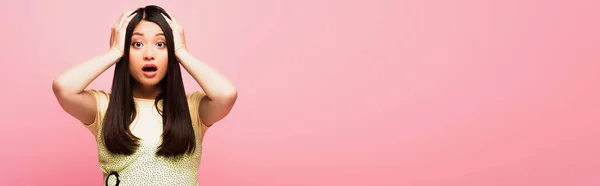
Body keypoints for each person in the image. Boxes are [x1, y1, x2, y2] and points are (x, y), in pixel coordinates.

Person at [52, 5, 238, 186]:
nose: (149, 54)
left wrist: (182, 52)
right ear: (126, 51)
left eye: (160, 44)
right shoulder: (104, 107)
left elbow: (226, 94)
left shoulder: (192, 108)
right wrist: (114, 52)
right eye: (137, 44)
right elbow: (63, 88)